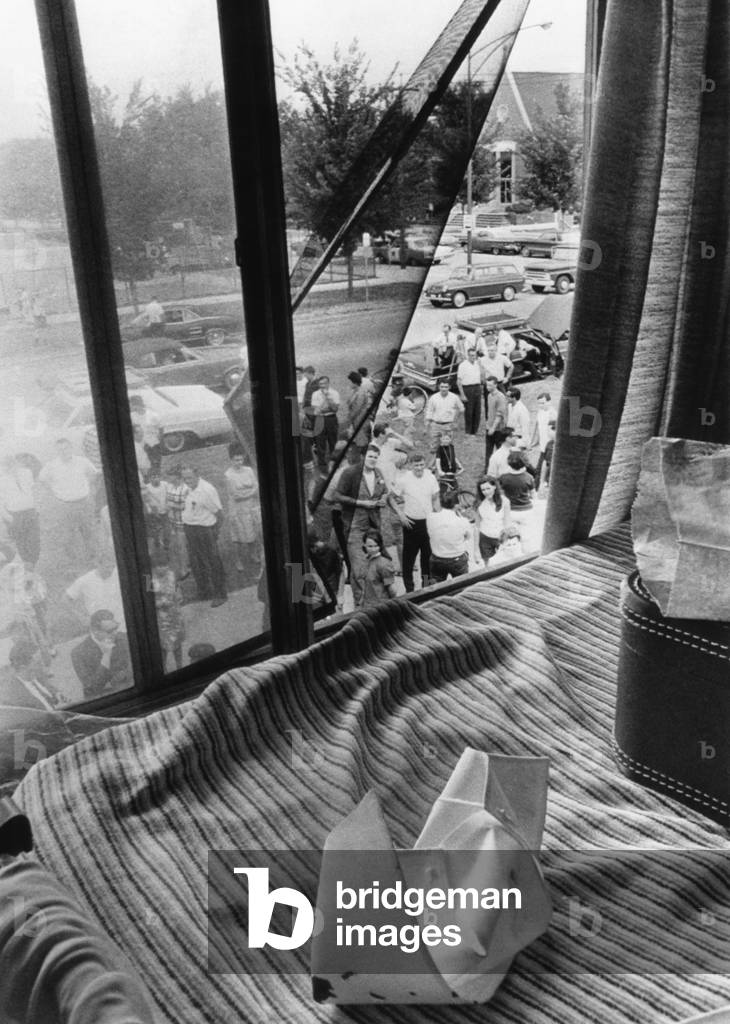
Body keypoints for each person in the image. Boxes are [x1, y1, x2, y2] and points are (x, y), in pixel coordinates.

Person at [334, 445, 390, 607]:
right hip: (354, 526)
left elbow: (385, 491)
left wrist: (384, 499)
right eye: (370, 456)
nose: (373, 460)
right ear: (363, 456)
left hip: (373, 527)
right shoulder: (350, 473)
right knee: (359, 568)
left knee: (374, 564)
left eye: (375, 457)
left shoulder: (378, 473)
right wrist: (360, 502)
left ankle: (374, 600)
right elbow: (338, 495)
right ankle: (361, 603)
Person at [38, 438, 98, 572]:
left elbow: (93, 474)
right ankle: (73, 563)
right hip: (65, 505)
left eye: (66, 448)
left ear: (71, 448)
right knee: (68, 534)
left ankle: (92, 559)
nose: (64, 451)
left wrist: (89, 489)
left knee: (88, 531)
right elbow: (42, 479)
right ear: (57, 451)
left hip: (84, 502)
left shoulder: (82, 461)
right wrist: (54, 492)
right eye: (61, 449)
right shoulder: (52, 465)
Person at [181, 466, 227, 607]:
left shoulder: (207, 490)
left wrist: (215, 532)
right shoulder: (187, 487)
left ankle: (220, 594)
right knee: (196, 562)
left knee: (213, 561)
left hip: (205, 530)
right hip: (190, 529)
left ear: (197, 475)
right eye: (184, 478)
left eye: (189, 478)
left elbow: (219, 514)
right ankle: (204, 591)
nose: (187, 481)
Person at [398, 452, 440, 593]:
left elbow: (435, 497)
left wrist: (437, 515)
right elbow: (390, 498)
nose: (419, 468)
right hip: (411, 524)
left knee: (428, 559)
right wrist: (401, 515)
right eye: (416, 465)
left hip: (428, 523)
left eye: (422, 465)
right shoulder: (404, 479)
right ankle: (409, 591)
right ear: (410, 466)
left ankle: (426, 589)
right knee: (408, 560)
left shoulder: (431, 477)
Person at [70, 609, 132, 699]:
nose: (115, 633)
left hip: (126, 688)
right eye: (110, 631)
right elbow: (92, 687)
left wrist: (118, 680)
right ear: (95, 631)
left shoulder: (124, 638)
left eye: (116, 628)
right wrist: (106, 656)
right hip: (103, 698)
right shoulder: (78, 653)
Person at [224, 444, 262, 581]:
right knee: (239, 536)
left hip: (250, 506)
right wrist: (249, 492)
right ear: (231, 460)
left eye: (240, 460)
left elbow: (256, 485)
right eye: (235, 460)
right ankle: (238, 560)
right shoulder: (228, 475)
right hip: (237, 508)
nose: (238, 463)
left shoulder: (249, 470)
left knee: (252, 531)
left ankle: (253, 554)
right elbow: (235, 495)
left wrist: (249, 492)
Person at [65, 554, 126, 628]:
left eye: (112, 566)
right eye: (107, 567)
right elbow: (66, 599)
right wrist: (81, 617)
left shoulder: (119, 574)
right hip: (99, 627)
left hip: (121, 624)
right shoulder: (85, 580)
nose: (110, 570)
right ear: (98, 565)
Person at [0, 455, 40, 566]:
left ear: (15, 464)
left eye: (11, 465)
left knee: (34, 540)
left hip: (30, 511)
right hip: (14, 515)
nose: (10, 468)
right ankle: (26, 565)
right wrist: (7, 517)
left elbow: (33, 490)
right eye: (6, 466)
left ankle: (32, 564)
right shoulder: (2, 480)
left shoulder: (26, 473)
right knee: (21, 542)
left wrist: (37, 507)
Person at [0, 638, 61, 711]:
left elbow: (52, 695)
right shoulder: (13, 696)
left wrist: (57, 694)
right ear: (23, 667)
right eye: (38, 663)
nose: (43, 665)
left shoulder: (38, 677)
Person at [426, 490, 472, 584]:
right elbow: (468, 537)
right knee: (462, 586)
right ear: (456, 505)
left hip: (437, 558)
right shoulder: (463, 521)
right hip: (457, 558)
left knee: (434, 587)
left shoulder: (430, 517)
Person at [149, 552, 185, 672]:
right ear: (153, 567)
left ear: (168, 565)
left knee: (177, 641)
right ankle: (163, 667)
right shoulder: (149, 579)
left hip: (174, 613)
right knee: (162, 643)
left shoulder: (172, 575)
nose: (162, 568)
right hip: (160, 616)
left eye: (164, 565)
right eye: (158, 566)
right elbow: (148, 598)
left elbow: (177, 590)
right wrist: (158, 604)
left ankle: (179, 665)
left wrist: (179, 597)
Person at [473, 475, 511, 565]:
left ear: (494, 487)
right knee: (488, 565)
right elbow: (476, 527)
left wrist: (505, 542)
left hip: (500, 537)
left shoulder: (505, 501)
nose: (486, 492)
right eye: (483, 490)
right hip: (485, 538)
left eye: (488, 488)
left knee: (502, 563)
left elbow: (507, 523)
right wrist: (476, 550)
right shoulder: (479, 504)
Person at [356, 529, 397, 609]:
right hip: (367, 605)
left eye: (376, 546)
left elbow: (392, 590)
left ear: (380, 545)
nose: (373, 549)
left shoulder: (384, 563)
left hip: (381, 606)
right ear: (364, 545)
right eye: (370, 546)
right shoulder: (366, 561)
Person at [164, 464, 190, 581]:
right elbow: (167, 502)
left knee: (182, 546)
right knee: (175, 546)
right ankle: (180, 567)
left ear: (176, 476)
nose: (168, 478)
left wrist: (172, 506)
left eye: (171, 475)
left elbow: (186, 506)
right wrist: (170, 509)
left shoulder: (185, 489)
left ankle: (185, 569)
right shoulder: (169, 487)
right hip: (173, 522)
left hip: (183, 522)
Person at [424, 380, 464, 452]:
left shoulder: (454, 397)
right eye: (442, 387)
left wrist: (456, 421)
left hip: (448, 425)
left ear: (449, 387)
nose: (444, 389)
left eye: (446, 387)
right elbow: (429, 410)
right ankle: (435, 461)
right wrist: (427, 423)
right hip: (435, 425)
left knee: (447, 446)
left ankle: (447, 462)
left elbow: (461, 409)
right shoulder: (434, 397)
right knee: (433, 446)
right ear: (439, 387)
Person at [311, 375, 341, 470]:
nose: (322, 386)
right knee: (320, 442)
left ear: (328, 383)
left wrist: (328, 397)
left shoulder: (334, 393)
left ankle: (335, 462)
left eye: (324, 383)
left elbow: (335, 409)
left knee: (333, 441)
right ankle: (322, 465)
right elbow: (316, 411)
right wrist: (327, 408)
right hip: (319, 419)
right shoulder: (315, 394)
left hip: (331, 419)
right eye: (320, 384)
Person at [129, 395, 162, 473]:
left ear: (137, 404)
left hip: (153, 444)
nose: (131, 407)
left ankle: (157, 476)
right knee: (144, 464)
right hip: (141, 445)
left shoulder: (152, 415)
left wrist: (159, 439)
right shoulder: (132, 416)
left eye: (132, 405)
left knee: (156, 463)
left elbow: (160, 428)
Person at [530, 392, 557, 487]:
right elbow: (537, 428)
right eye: (539, 403)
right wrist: (532, 442)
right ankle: (538, 486)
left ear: (549, 402)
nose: (541, 405)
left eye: (543, 403)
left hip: (550, 447)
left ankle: (545, 484)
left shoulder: (553, 414)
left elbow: (555, 433)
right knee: (539, 469)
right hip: (542, 446)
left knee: (547, 467)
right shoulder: (540, 412)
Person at [142, 466, 170, 555]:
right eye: (153, 477)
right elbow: (146, 500)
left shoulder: (165, 484)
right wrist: (151, 510)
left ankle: (166, 544)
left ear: (160, 477)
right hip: (154, 512)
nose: (156, 479)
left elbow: (169, 495)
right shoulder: (147, 487)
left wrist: (168, 506)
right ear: (150, 479)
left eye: (157, 476)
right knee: (155, 529)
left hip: (165, 511)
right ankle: (157, 541)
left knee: (166, 528)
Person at [456, 348, 483, 435]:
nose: (472, 357)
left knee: (477, 410)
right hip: (467, 388)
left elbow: (482, 377)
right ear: (468, 355)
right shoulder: (463, 365)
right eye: (471, 355)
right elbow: (459, 381)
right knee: (469, 411)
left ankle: (475, 431)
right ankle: (468, 431)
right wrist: (462, 394)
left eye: (474, 355)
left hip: (477, 387)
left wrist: (480, 365)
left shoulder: (477, 364)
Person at [345, 371, 371, 453]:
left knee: (360, 436)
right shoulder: (356, 391)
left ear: (355, 382)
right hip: (357, 417)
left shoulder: (360, 393)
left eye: (350, 382)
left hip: (359, 417)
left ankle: (361, 452)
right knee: (358, 434)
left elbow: (357, 408)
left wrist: (350, 418)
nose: (349, 384)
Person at [484, 376, 509, 464]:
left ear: (496, 385)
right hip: (489, 427)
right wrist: (488, 425)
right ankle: (488, 472)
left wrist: (493, 428)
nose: (488, 387)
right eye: (487, 385)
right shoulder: (489, 396)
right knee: (488, 451)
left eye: (490, 385)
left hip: (498, 429)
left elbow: (499, 415)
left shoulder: (500, 397)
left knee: (501, 451)